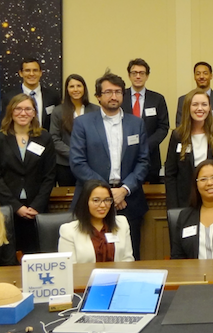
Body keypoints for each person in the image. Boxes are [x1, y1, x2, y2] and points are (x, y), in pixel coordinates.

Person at [69, 70, 149, 260]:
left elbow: (143, 161)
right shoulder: (83, 123)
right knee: (90, 255)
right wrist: (106, 193)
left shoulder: (136, 124)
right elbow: (78, 162)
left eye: (118, 92)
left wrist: (124, 190)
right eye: (108, 92)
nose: (114, 96)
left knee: (129, 255)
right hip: (91, 200)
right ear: (98, 96)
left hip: (128, 201)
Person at [0, 93, 57, 253]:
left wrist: (37, 205)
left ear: (34, 113)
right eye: (18, 109)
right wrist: (16, 207)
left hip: (37, 208)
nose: (23, 113)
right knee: (7, 254)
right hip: (6, 208)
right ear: (11, 112)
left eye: (27, 109)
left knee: (36, 253)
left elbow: (50, 175)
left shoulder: (44, 137)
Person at [165, 90, 213, 209]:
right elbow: (170, 174)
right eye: (195, 104)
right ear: (188, 107)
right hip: (185, 201)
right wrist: (173, 207)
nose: (200, 108)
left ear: (209, 108)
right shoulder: (178, 135)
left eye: (204, 104)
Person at [58, 180, 134, 263]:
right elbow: (69, 267)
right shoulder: (68, 231)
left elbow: (128, 260)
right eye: (96, 200)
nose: (103, 205)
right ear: (85, 202)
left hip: (117, 275)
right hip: (84, 275)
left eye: (107, 200)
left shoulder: (122, 223)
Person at [121, 58, 170, 184]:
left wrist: (146, 146)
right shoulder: (120, 97)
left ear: (147, 76)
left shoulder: (157, 99)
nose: (138, 76)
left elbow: (163, 127)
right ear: (129, 75)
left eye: (142, 73)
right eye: (134, 73)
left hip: (150, 156)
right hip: (124, 155)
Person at [50, 74, 100, 186]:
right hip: (65, 165)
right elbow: (54, 138)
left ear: (84, 88)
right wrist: (74, 153)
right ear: (67, 90)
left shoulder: (96, 110)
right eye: (72, 86)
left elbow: (100, 136)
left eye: (79, 86)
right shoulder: (58, 111)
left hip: (90, 164)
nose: (76, 89)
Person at [175, 62, 213, 145]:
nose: (201, 77)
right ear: (194, 77)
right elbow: (180, 125)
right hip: (190, 145)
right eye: (198, 74)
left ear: (211, 76)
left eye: (205, 73)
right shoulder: (183, 100)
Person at [1, 57, 61, 132]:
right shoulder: (10, 97)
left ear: (40, 73)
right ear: (21, 73)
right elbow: (6, 123)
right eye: (27, 70)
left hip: (46, 141)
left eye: (35, 70)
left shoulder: (53, 96)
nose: (31, 74)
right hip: (19, 140)